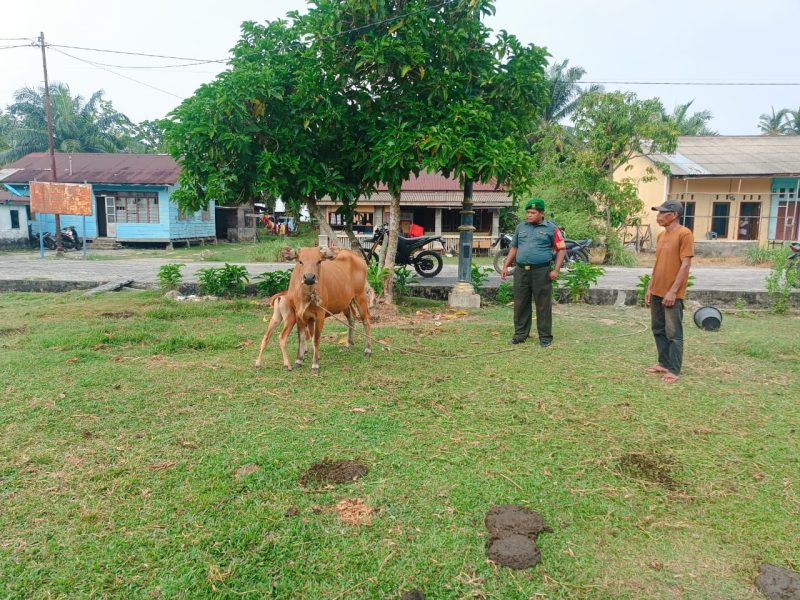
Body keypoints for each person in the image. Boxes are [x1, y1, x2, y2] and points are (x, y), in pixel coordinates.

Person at [501, 198, 566, 347]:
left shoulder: (552, 228)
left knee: (543, 304)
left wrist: (556, 270)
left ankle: (545, 337)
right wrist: (506, 266)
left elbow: (561, 249)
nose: (529, 215)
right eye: (528, 212)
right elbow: (514, 247)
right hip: (521, 271)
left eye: (533, 212)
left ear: (541, 213)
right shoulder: (521, 227)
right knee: (520, 303)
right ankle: (520, 335)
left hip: (541, 271)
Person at [645, 200, 694, 384]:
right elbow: (657, 264)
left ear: (673, 215)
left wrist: (673, 291)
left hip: (672, 293)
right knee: (658, 328)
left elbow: (685, 265)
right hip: (657, 290)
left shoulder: (684, 234)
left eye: (662, 213)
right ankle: (663, 363)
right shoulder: (661, 235)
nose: (658, 216)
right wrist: (650, 287)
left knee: (673, 332)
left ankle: (674, 369)